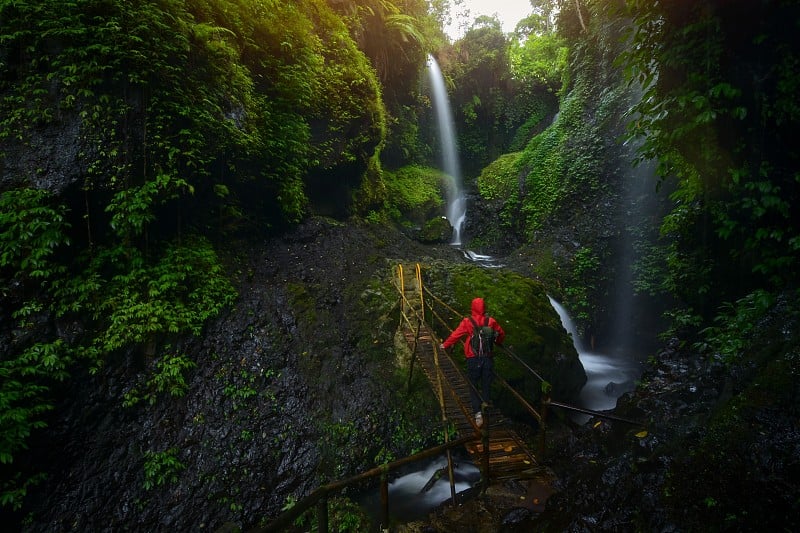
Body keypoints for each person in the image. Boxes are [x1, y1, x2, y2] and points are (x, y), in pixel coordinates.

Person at [439, 297, 505, 428]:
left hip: (473, 358)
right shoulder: (490, 321)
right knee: (486, 384)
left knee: (473, 385)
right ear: (484, 308)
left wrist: (445, 345)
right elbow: (500, 335)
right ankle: (486, 406)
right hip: (487, 358)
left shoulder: (467, 322)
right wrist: (497, 342)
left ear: (472, 308)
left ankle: (478, 414)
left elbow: (456, 335)